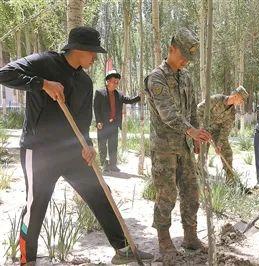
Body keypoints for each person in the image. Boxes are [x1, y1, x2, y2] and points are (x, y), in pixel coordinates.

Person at [0, 26, 153, 265]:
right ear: (79, 49)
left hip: (72, 152)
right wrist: (41, 84)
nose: (95, 57)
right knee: (36, 204)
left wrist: (88, 145)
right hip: (39, 151)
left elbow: (82, 121)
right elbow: (4, 74)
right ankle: (26, 259)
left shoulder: (84, 82)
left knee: (100, 193)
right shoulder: (43, 62)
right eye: (93, 52)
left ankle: (123, 249)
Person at [144, 28, 212, 260]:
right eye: (182, 55)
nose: (185, 61)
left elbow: (192, 109)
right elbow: (168, 114)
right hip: (165, 148)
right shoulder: (156, 78)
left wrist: (196, 136)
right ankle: (164, 240)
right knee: (167, 193)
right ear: (171, 48)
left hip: (184, 146)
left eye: (188, 58)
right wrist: (191, 131)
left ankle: (190, 236)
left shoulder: (186, 77)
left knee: (191, 192)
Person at [197, 86, 249, 183]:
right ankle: (199, 176)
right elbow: (199, 109)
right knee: (203, 152)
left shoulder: (232, 112)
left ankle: (230, 180)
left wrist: (219, 145)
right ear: (236, 96)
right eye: (241, 100)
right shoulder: (216, 99)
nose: (241, 103)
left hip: (217, 131)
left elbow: (225, 130)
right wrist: (202, 128)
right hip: (205, 128)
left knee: (227, 152)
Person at [94, 70, 140, 172]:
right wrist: (98, 121)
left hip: (114, 124)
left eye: (117, 82)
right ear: (108, 81)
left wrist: (139, 97)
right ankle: (104, 164)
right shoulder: (99, 93)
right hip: (103, 124)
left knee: (113, 145)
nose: (116, 84)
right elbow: (96, 108)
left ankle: (113, 165)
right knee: (102, 145)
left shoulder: (119, 94)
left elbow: (129, 100)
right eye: (114, 81)